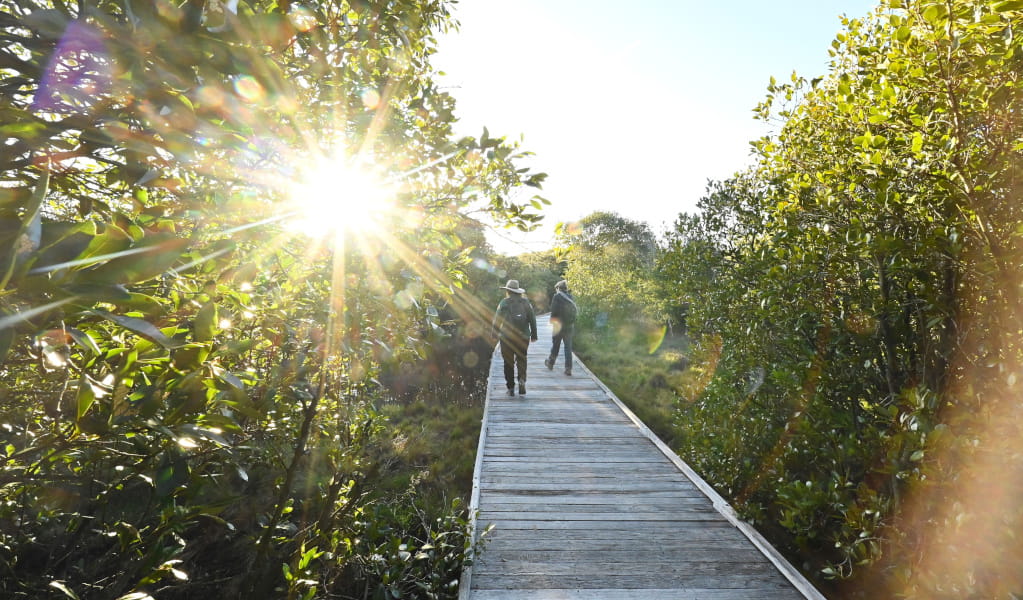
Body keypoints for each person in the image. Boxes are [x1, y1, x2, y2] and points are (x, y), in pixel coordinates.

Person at [492, 279, 538, 396]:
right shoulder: (526, 302)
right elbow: (532, 319)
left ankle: (511, 388)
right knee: (522, 359)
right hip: (523, 337)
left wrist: (494, 333)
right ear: (518, 291)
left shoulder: (504, 303)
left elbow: (497, 320)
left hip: (506, 337)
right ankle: (522, 381)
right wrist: (534, 335)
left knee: (508, 362)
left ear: (507, 291)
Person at [545, 280, 577, 376]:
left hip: (558, 326)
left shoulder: (556, 297)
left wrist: (551, 321)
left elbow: (553, 311)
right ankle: (568, 368)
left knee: (556, 345)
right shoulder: (571, 297)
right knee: (568, 347)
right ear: (566, 288)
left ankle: (551, 363)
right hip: (569, 326)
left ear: (558, 288)